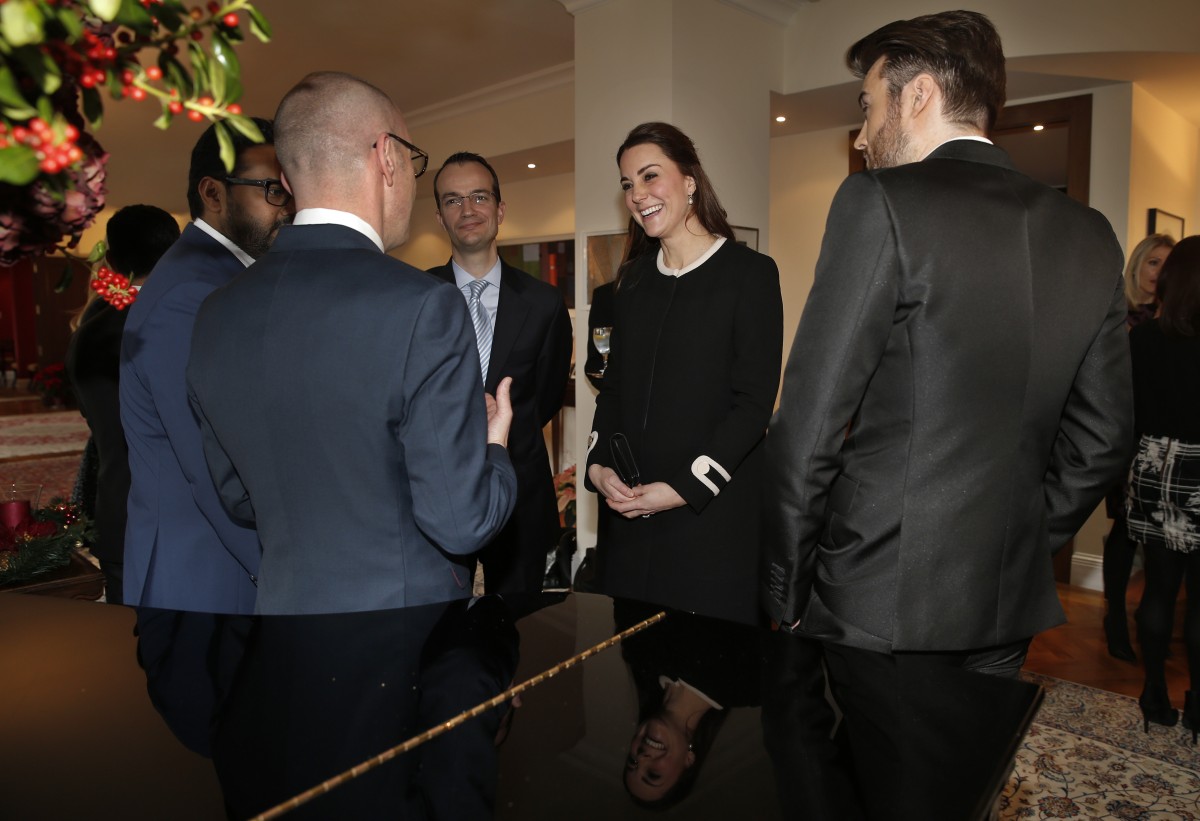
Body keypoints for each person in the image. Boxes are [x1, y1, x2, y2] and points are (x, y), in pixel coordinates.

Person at [762, 11, 1132, 818]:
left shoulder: (878, 203)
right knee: (959, 790)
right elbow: (1105, 437)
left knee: (868, 792)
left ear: (918, 94)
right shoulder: (1091, 233)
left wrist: (785, 589)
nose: (860, 135)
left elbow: (809, 425)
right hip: (1001, 601)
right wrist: (1021, 537)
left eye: (867, 105)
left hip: (876, 598)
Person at [186, 72, 517, 615]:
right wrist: (493, 447)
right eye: (413, 162)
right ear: (387, 157)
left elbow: (237, 495)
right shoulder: (423, 305)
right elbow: (463, 522)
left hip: (281, 616)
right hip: (402, 634)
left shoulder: (216, 312)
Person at [584, 122, 783, 627]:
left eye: (650, 176)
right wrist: (597, 466)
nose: (637, 194)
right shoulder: (630, 284)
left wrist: (680, 489)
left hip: (707, 521)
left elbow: (753, 405)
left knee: (706, 681)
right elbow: (613, 390)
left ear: (690, 180)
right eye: (628, 184)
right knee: (632, 681)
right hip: (628, 520)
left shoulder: (750, 275)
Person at [120, 119, 291, 614]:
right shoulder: (190, 294)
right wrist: (283, 575)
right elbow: (210, 465)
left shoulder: (218, 275)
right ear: (213, 193)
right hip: (207, 575)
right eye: (272, 190)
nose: (290, 207)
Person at [427, 152, 572, 594]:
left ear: (500, 209)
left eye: (479, 197)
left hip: (521, 495)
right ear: (439, 216)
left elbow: (544, 400)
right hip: (436, 495)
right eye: (453, 200)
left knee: (524, 637)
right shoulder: (413, 297)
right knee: (440, 637)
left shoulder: (545, 303)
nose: (467, 210)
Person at [65, 204, 180, 604]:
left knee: (125, 645)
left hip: (117, 508)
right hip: (176, 515)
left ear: (112, 259)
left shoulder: (91, 324)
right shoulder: (172, 322)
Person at [1126, 236, 1200, 737]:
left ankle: (1154, 693)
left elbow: (1128, 413)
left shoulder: (1142, 338)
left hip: (1153, 464)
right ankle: (1197, 704)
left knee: (1158, 587)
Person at [1103, 232, 1176, 661]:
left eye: (1168, 265)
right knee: (1126, 530)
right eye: (1153, 263)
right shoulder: (1120, 316)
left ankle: (1150, 617)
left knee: (1154, 537)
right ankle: (1115, 618)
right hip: (1124, 439)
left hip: (1158, 443)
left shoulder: (1173, 320)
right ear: (1138, 266)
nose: (1159, 273)